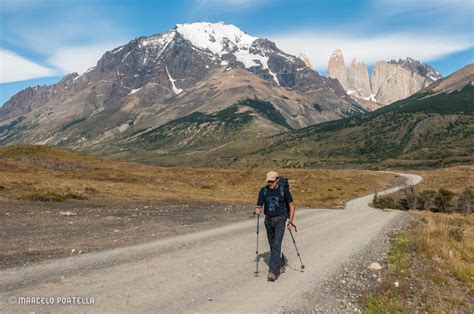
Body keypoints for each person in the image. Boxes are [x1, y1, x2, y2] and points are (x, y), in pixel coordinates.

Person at [255, 170, 295, 282]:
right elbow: (259, 204)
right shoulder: (263, 191)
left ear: (277, 180)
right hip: (268, 221)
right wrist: (258, 209)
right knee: (273, 245)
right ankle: (281, 263)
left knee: (277, 244)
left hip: (280, 220)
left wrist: (290, 221)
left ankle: (273, 271)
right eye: (269, 182)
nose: (270, 184)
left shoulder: (284, 190)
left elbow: (291, 206)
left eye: (272, 181)